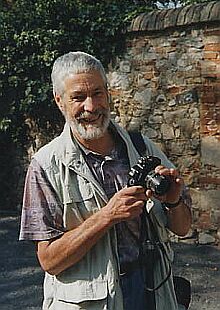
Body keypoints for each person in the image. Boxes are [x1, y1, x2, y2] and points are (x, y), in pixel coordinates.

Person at [19, 51, 192, 310]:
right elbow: (49, 261)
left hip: (152, 289)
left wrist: (174, 201)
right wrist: (106, 216)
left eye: (98, 93)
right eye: (78, 97)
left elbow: (182, 228)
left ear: (108, 94)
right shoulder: (46, 166)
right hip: (91, 301)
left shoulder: (141, 147)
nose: (91, 106)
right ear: (60, 101)